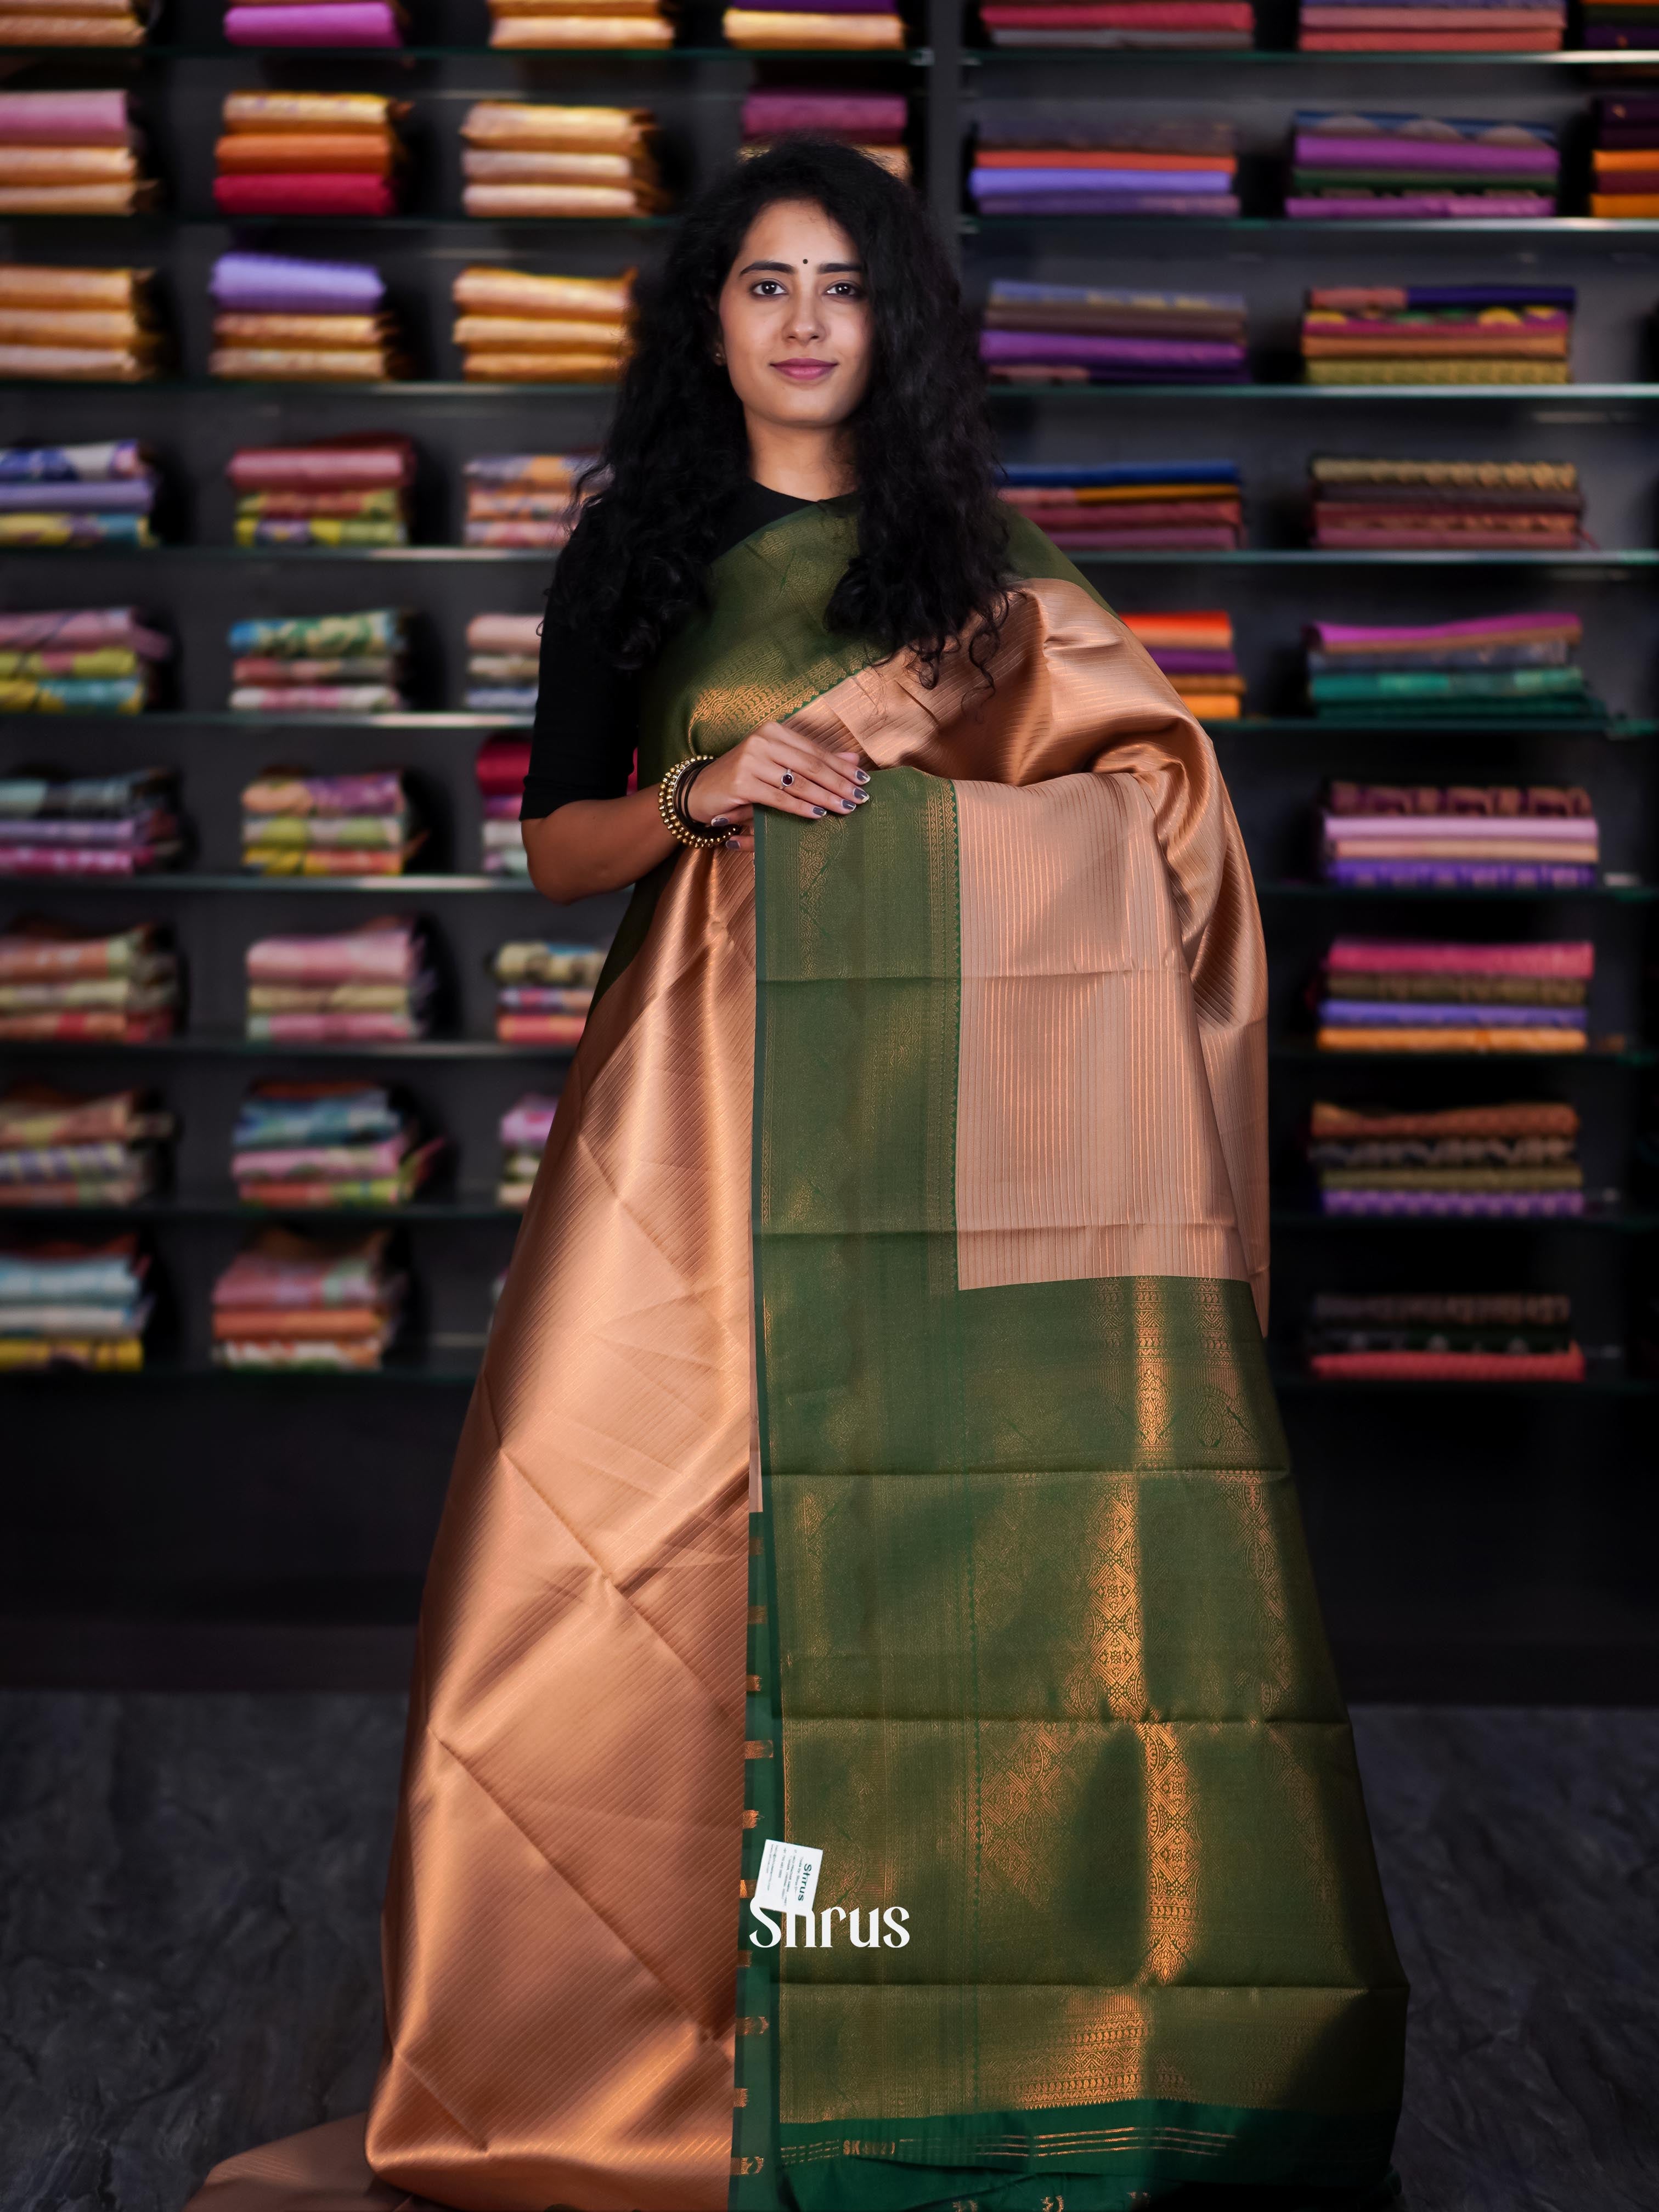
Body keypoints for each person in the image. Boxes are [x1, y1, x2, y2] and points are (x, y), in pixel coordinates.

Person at [187, 140, 1407, 2212]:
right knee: (606, 1569)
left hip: (959, 1134)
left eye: (845, 285)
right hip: (697, 1119)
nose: (807, 321)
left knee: (983, 1585)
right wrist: (713, 783)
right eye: (766, 284)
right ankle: (642, 2045)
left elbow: (1152, 794)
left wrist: (975, 827)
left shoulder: (979, 553)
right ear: (713, 318)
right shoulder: (637, 546)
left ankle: (988, 2029)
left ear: (896, 321)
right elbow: (557, 848)